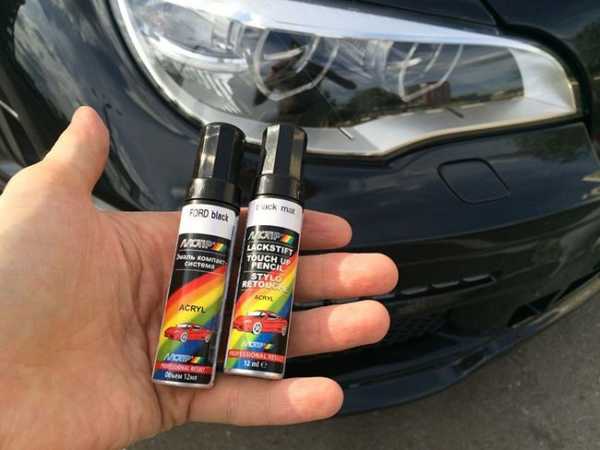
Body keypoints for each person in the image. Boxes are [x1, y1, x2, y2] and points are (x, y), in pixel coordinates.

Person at [0, 107, 398, 449]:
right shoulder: (211, 210)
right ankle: (197, 359)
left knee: (258, 267)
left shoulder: (275, 209)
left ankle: (234, 355)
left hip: (241, 339)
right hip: (171, 353)